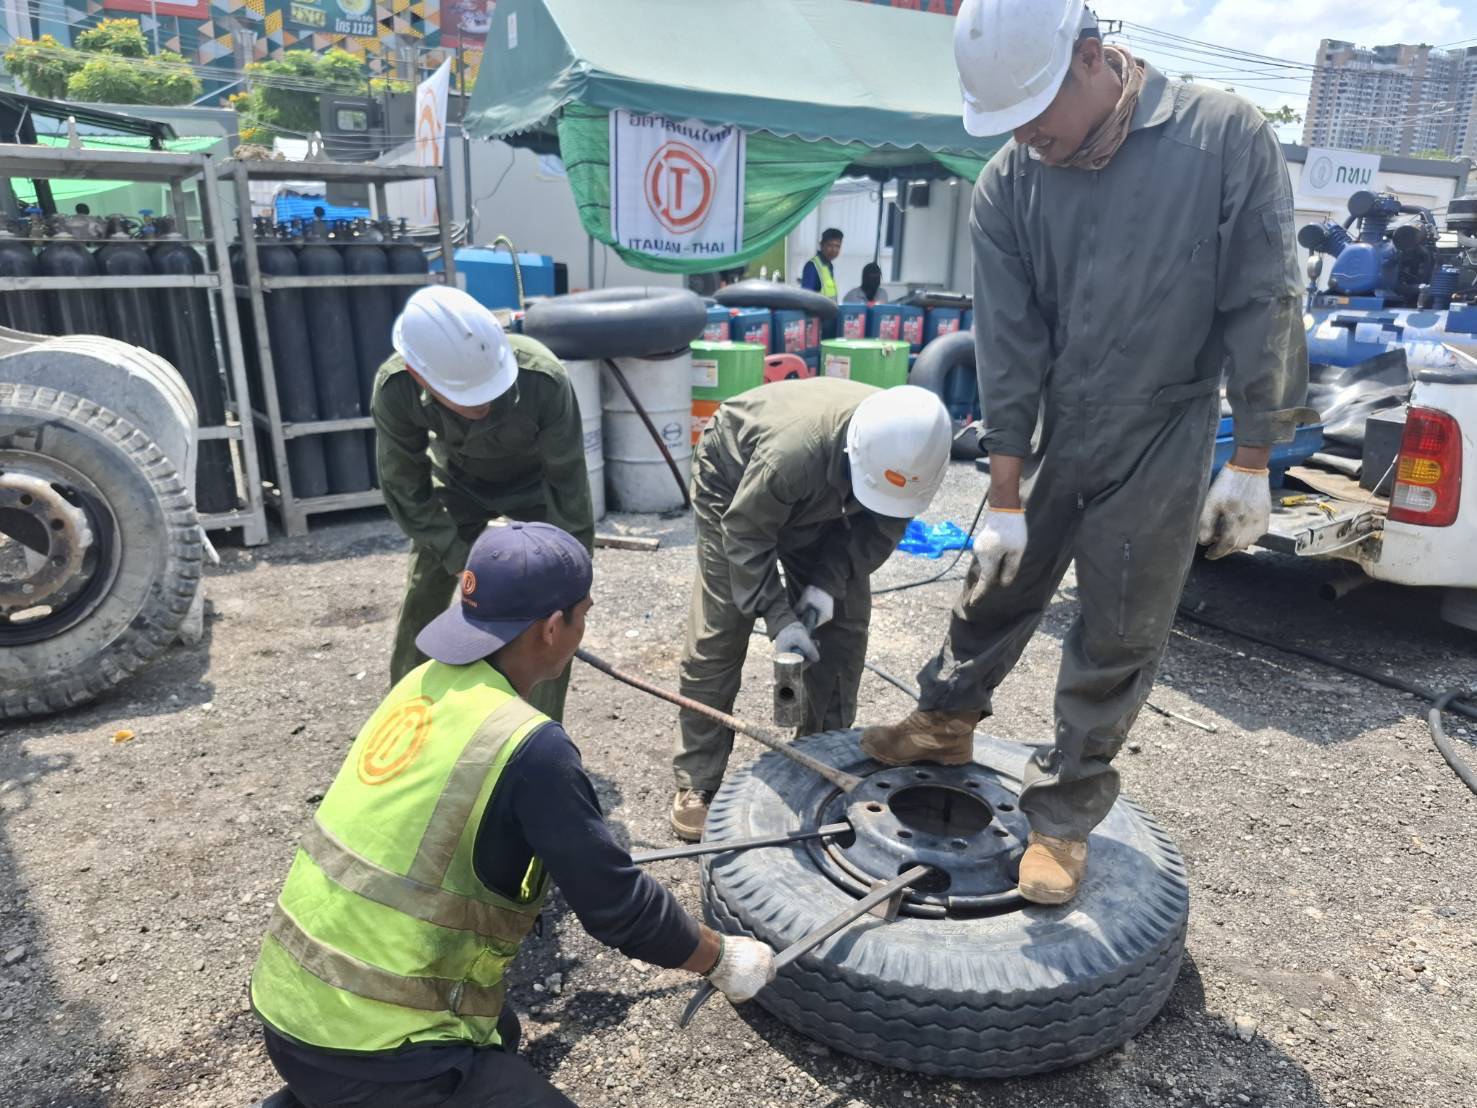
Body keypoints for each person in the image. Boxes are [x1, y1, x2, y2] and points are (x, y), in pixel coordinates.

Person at [861, 0, 1313, 904]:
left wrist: (1252, 458)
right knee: (996, 583)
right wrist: (1003, 494)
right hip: (1054, 422)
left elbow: (1264, 296)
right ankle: (945, 719)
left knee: (1120, 622)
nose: (1023, 137)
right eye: (1005, 123)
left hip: (1164, 422)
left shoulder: (1219, 136)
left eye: (1032, 113)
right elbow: (1009, 341)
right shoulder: (1011, 179)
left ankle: (1063, 815)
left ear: (1090, 58)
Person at [249, 521, 776, 1108]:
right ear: (553, 628)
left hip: (290, 1003)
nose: (582, 630)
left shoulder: (422, 683)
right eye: (583, 615)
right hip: (375, 1047)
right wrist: (721, 958)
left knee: (500, 1030)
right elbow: (618, 907)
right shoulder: (530, 748)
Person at [671, 380, 953, 840]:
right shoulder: (790, 455)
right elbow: (746, 534)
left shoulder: (911, 460)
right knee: (722, 629)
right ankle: (697, 779)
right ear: (855, 453)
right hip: (736, 484)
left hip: (826, 490)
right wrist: (779, 618)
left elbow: (878, 529)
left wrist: (825, 586)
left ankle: (820, 759)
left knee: (842, 627)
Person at [373, 285, 594, 720]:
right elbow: (405, 487)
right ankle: (406, 720)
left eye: (490, 390)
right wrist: (456, 557)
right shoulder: (396, 388)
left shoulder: (544, 380)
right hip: (459, 486)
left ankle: (539, 729)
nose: (484, 404)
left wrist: (571, 579)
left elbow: (570, 488)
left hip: (535, 488)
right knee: (425, 589)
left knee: (553, 611)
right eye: (468, 397)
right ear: (419, 376)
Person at [799, 228, 843, 301]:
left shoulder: (829, 266)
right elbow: (806, 297)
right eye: (830, 245)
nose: (834, 250)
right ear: (821, 245)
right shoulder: (812, 266)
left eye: (837, 246)